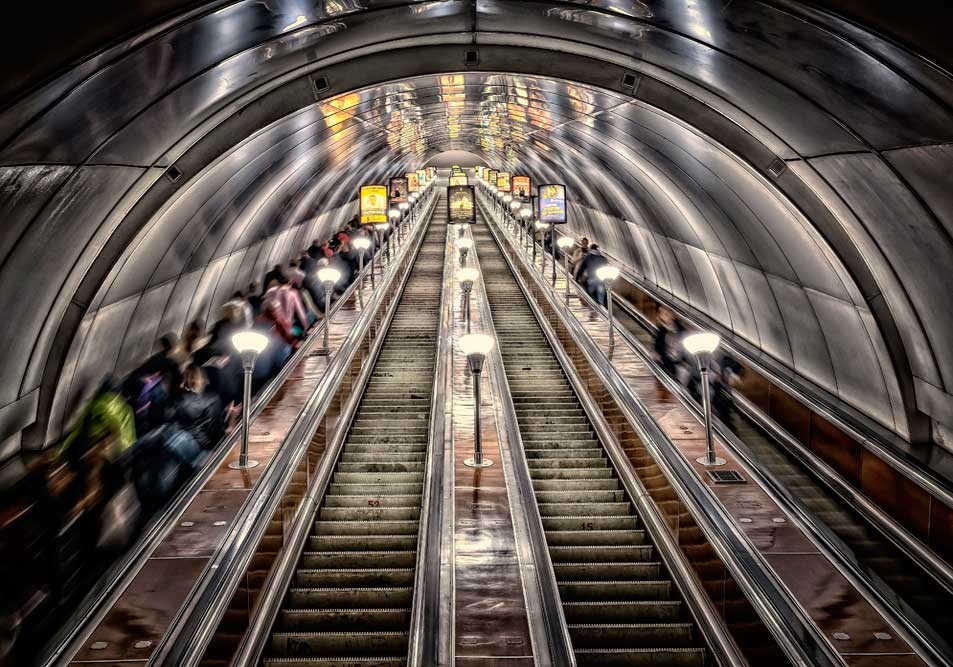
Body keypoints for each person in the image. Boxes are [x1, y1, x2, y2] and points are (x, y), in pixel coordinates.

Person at [653, 307, 684, 377]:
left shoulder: (680, 328)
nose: (664, 316)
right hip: (667, 362)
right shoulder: (661, 330)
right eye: (662, 314)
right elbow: (657, 344)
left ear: (673, 315)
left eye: (667, 314)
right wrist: (656, 353)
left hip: (679, 360)